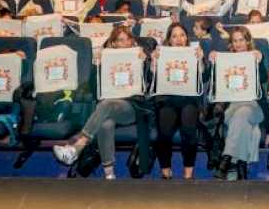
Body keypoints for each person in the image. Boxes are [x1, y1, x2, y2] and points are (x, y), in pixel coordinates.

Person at [52, 25, 146, 180]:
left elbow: (150, 85)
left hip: (132, 108)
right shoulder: (105, 60)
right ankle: (109, 174)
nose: (126, 43)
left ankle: (78, 146)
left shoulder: (140, 56)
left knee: (106, 104)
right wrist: (97, 66)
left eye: (128, 39)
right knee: (105, 123)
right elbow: (95, 91)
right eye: (121, 40)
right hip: (107, 110)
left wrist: (146, 63)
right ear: (113, 43)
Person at [210, 26, 268, 180]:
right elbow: (217, 85)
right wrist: (214, 63)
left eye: (241, 40)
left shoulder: (255, 56)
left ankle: (227, 159)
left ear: (248, 41)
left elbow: (263, 78)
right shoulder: (225, 60)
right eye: (235, 41)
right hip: (231, 111)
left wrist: (259, 62)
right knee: (246, 124)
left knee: (244, 112)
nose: (238, 44)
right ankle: (241, 164)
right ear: (231, 43)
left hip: (254, 108)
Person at [153, 23, 204, 180]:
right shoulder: (161, 53)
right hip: (167, 98)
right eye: (174, 36)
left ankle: (188, 171)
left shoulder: (195, 52)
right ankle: (166, 168)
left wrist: (200, 61)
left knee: (189, 130)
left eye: (182, 35)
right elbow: (152, 80)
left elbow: (204, 78)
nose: (179, 39)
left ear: (187, 37)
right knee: (164, 131)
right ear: (169, 39)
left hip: (189, 99)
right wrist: (154, 63)